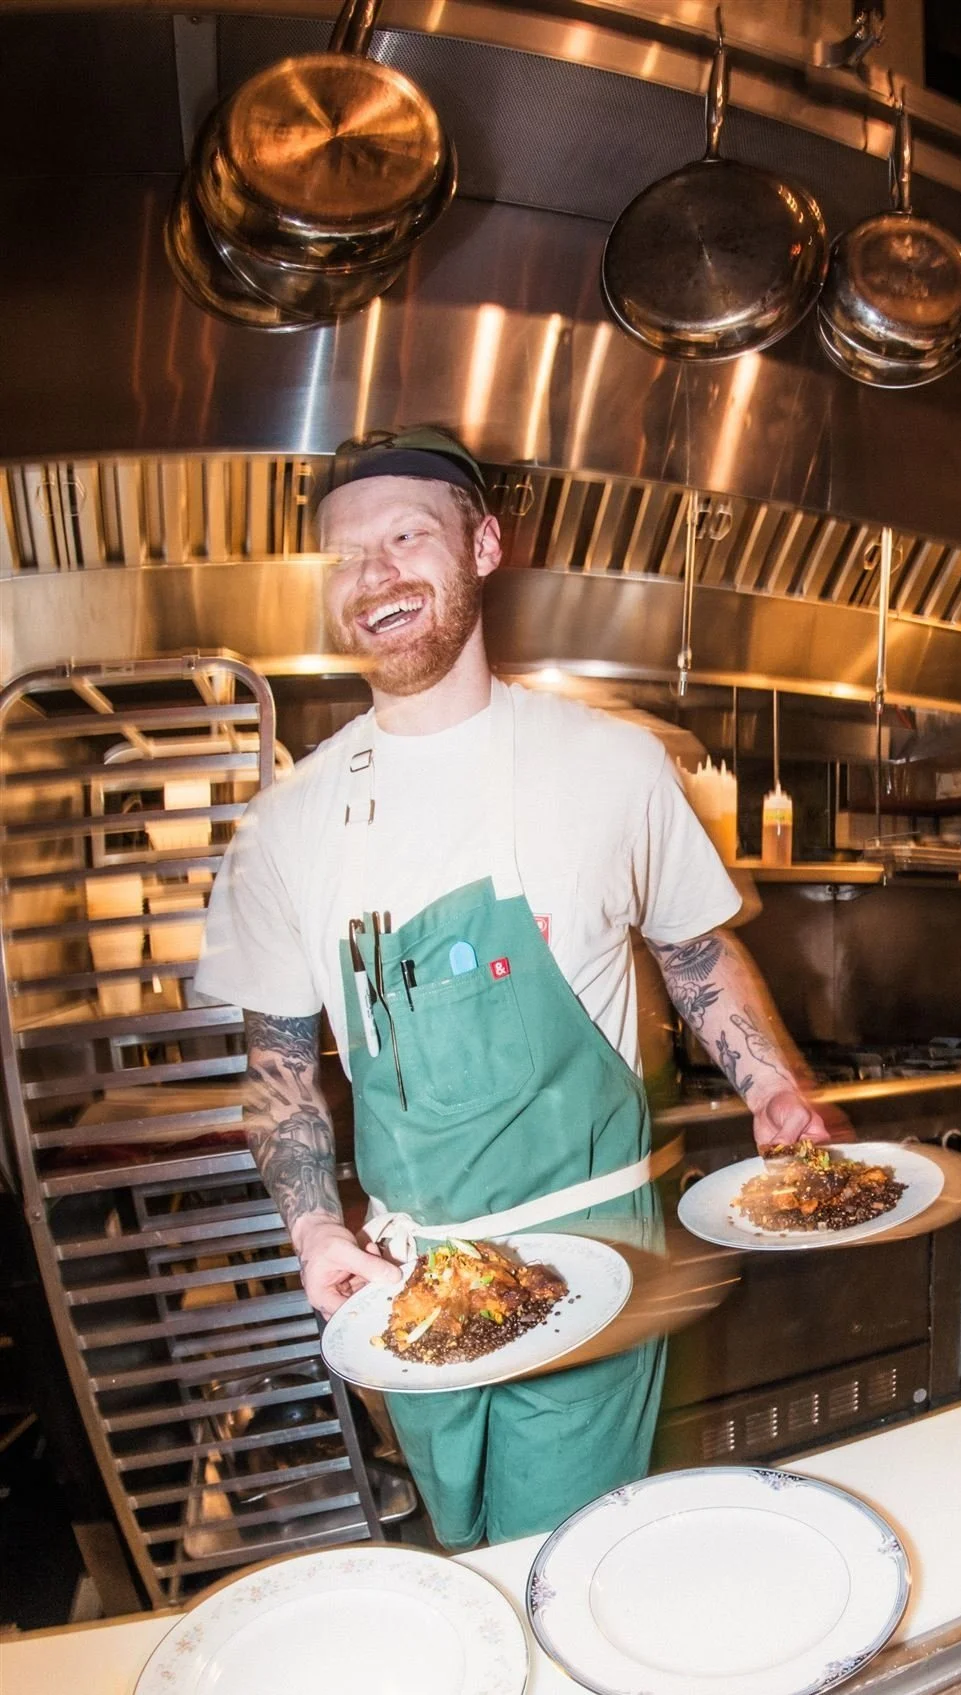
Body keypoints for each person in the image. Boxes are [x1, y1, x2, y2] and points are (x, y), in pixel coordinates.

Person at [196, 425, 830, 1550]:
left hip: (594, 1257)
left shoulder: (611, 764)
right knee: (466, 1546)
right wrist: (312, 1231)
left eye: (406, 536)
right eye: (347, 554)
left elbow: (693, 949)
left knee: (557, 1561)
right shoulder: (286, 824)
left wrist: (771, 1080)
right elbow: (279, 1055)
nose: (376, 573)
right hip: (410, 1276)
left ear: (483, 545)